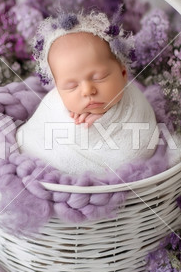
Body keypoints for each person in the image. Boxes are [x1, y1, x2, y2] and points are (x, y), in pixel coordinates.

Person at [16, 11, 160, 175]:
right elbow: (32, 141)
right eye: (71, 86)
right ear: (58, 88)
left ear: (123, 73)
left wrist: (105, 119)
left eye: (100, 77)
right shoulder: (53, 105)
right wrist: (76, 125)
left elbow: (142, 144)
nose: (87, 91)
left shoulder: (136, 101)